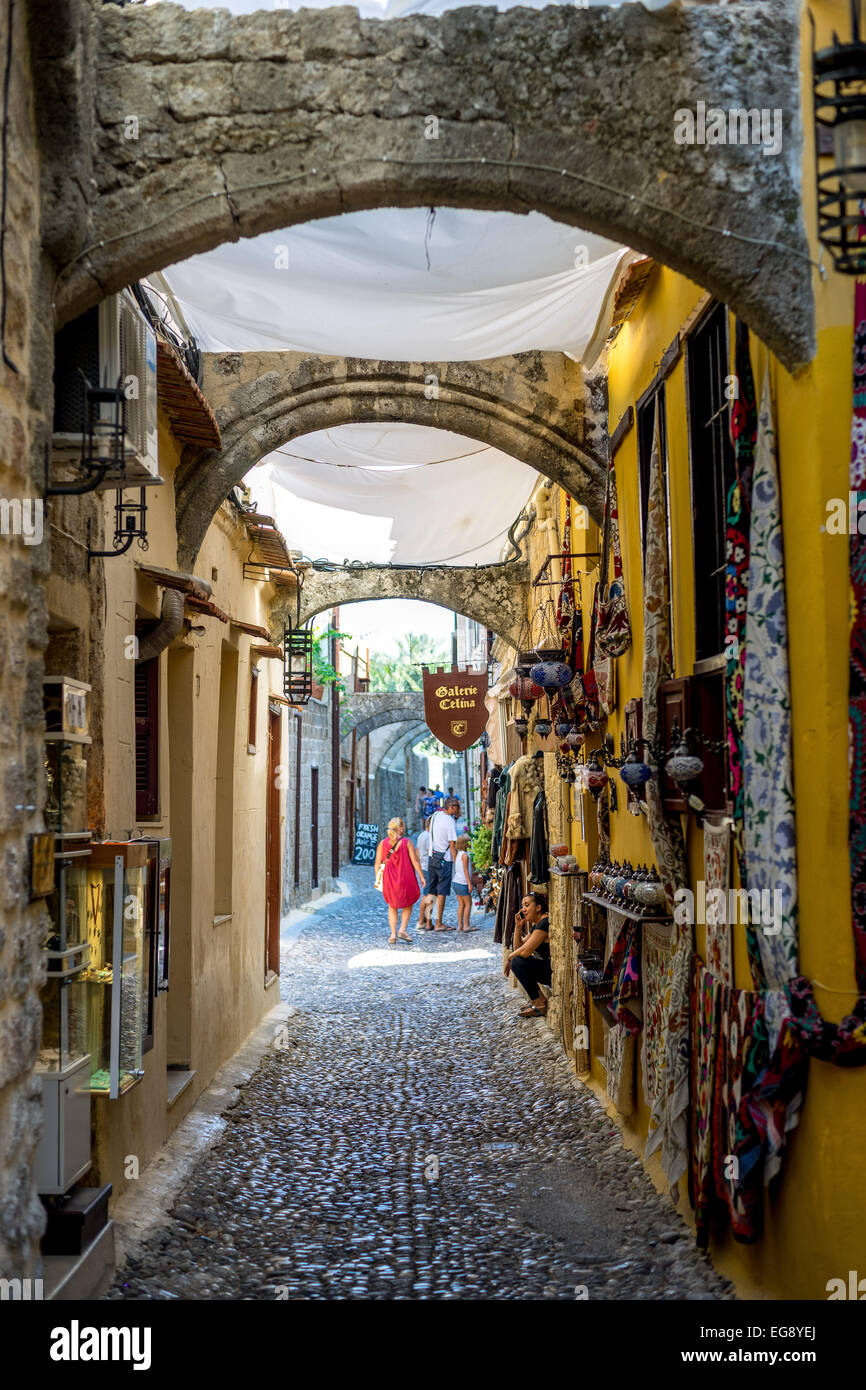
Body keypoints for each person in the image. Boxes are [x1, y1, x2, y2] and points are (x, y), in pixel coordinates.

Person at [373, 817, 427, 946]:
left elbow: (377, 863)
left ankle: (392, 934)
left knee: (392, 906)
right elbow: (415, 861)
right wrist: (421, 876)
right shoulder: (407, 843)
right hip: (405, 877)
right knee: (408, 903)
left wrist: (378, 878)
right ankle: (402, 929)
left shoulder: (382, 843)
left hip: (389, 878)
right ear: (400, 828)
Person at [504, 892, 551, 1017]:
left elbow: (524, 952)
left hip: (552, 971)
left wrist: (509, 958)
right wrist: (518, 928)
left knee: (517, 962)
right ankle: (538, 1000)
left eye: (527, 905)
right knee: (517, 960)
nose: (523, 909)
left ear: (538, 907)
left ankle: (539, 1004)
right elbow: (519, 948)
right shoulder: (537, 924)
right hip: (546, 968)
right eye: (522, 906)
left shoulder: (544, 923)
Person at [425, 795, 460, 931]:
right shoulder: (450, 821)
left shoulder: (435, 816)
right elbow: (452, 845)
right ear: (451, 807)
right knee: (442, 892)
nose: (457, 810)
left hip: (432, 857)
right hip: (445, 860)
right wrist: (457, 864)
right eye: (456, 807)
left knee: (431, 891)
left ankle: (428, 922)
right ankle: (438, 923)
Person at [452, 835, 478, 932]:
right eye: (469, 842)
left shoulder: (458, 854)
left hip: (456, 882)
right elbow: (466, 871)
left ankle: (460, 925)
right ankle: (466, 925)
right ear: (465, 844)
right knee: (468, 904)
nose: (470, 844)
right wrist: (469, 884)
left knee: (461, 905)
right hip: (463, 883)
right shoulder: (465, 856)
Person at [416, 816, 434, 929]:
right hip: (428, 867)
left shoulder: (421, 835)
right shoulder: (429, 837)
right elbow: (431, 853)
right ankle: (423, 921)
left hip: (423, 866)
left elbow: (417, 852)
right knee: (428, 896)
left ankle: (424, 920)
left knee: (427, 895)